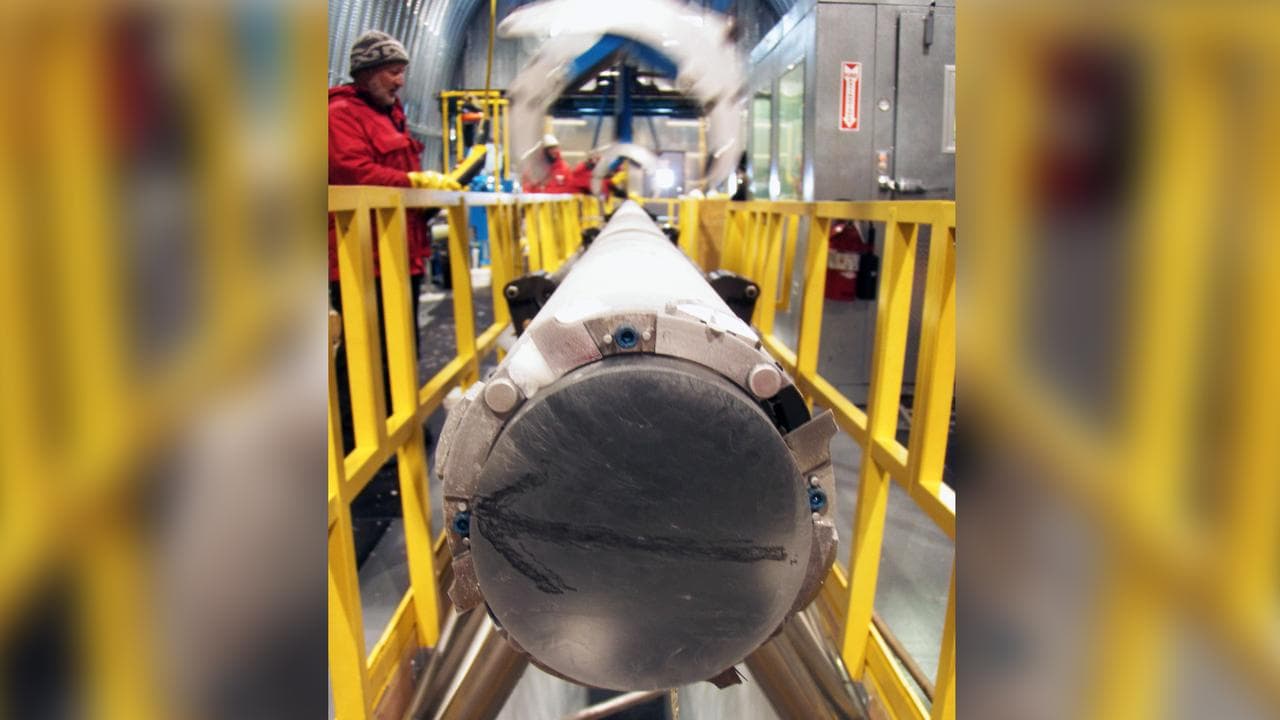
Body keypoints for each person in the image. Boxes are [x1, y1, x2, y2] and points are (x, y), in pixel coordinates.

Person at [329, 30, 456, 453]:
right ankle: (360, 443)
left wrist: (425, 199)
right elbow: (354, 173)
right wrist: (414, 182)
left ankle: (396, 428)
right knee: (365, 353)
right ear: (366, 73)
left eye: (402, 72)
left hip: (402, 254)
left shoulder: (391, 116)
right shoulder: (340, 115)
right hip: (361, 258)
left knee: (400, 348)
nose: (400, 81)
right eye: (392, 72)